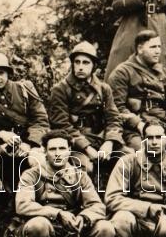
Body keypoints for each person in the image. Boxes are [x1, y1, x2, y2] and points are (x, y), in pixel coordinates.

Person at [14, 130, 116, 237]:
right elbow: (22, 205)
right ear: (45, 152)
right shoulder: (32, 175)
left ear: (69, 150)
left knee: (106, 229)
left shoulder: (79, 176)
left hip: (71, 232)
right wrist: (57, 214)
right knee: (38, 225)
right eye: (52, 149)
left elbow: (97, 206)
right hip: (46, 230)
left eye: (62, 148)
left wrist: (84, 218)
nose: (57, 154)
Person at [49, 42, 124, 178]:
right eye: (77, 62)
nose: (81, 67)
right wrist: (86, 147)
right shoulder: (60, 89)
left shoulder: (103, 88)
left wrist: (109, 142)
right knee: (85, 168)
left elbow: (114, 118)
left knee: (128, 158)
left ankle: (118, 197)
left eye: (86, 63)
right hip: (75, 141)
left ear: (94, 66)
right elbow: (62, 125)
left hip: (101, 138)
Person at [0, 51, 48, 190]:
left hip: (30, 141)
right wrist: (0, 133)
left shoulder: (25, 88)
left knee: (37, 161)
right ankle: (5, 197)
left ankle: (43, 199)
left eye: (1, 72)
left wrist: (30, 144)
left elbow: (41, 120)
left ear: (8, 73)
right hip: (3, 145)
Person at [108, 30, 166, 151]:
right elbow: (117, 108)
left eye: (159, 46)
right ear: (140, 49)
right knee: (144, 153)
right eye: (153, 47)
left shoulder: (163, 71)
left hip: (162, 124)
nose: (158, 51)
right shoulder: (123, 72)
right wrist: (140, 125)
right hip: (135, 128)